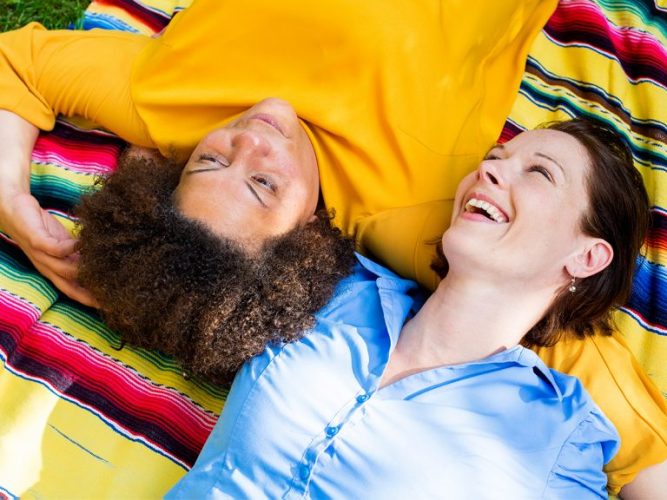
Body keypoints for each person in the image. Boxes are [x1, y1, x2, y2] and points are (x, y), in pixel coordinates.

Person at [0, 0, 665, 493]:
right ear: (304, 238)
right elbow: (562, 331)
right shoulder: (423, 222)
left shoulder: (166, 103)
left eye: (207, 163)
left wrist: (16, 207)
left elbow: (19, 62)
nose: (252, 141)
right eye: (263, 185)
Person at [166, 119, 654, 498]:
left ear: (586, 257)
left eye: (540, 172)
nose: (491, 169)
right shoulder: (332, 283)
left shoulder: (558, 441)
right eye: (494, 157)